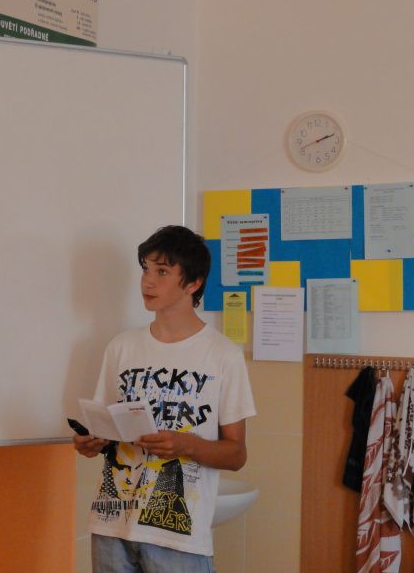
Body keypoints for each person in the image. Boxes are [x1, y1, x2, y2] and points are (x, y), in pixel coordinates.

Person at [73, 225, 256, 573]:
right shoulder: (121, 347)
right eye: (146, 269)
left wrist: (186, 444)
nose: (147, 281)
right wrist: (91, 442)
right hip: (111, 525)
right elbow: (106, 426)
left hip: (178, 538)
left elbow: (236, 454)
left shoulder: (223, 355)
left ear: (193, 283)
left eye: (162, 271)